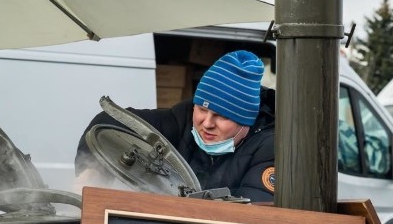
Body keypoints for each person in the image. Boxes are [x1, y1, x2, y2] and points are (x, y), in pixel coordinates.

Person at [75, 50, 275, 201]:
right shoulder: (181, 120)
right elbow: (110, 122)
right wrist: (92, 172)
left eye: (221, 117)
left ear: (245, 120)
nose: (206, 124)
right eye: (202, 110)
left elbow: (250, 214)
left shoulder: (270, 150)